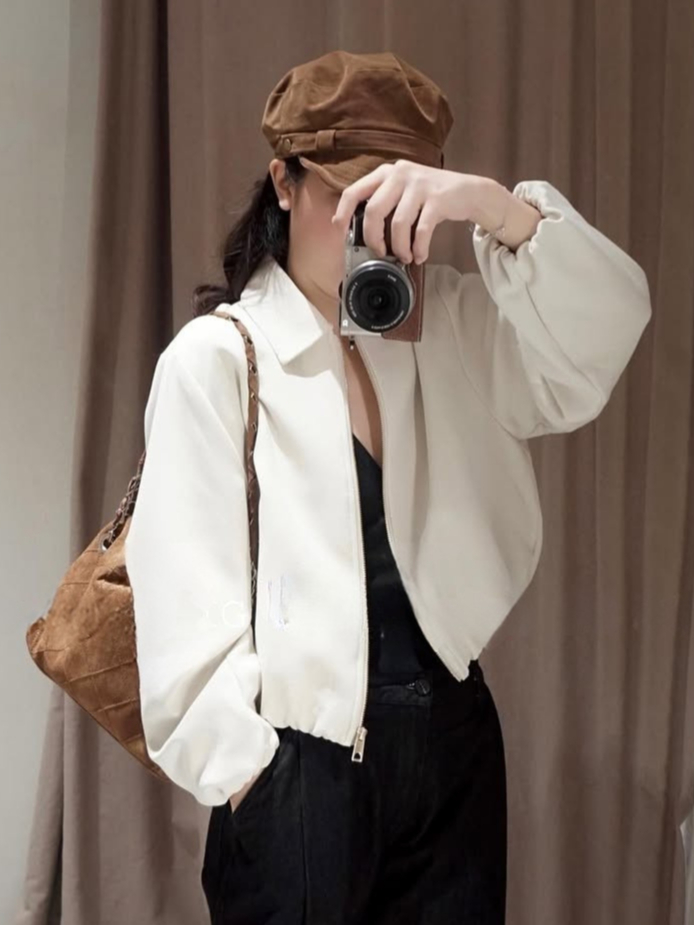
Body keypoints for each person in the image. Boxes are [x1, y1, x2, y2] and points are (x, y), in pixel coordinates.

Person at [124, 50, 652, 924]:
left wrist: (496, 209)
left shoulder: (453, 328)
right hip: (298, 770)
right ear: (284, 182)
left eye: (392, 202)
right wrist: (254, 777)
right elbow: (181, 609)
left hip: (453, 753)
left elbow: (608, 329)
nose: (365, 226)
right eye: (343, 195)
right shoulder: (217, 360)